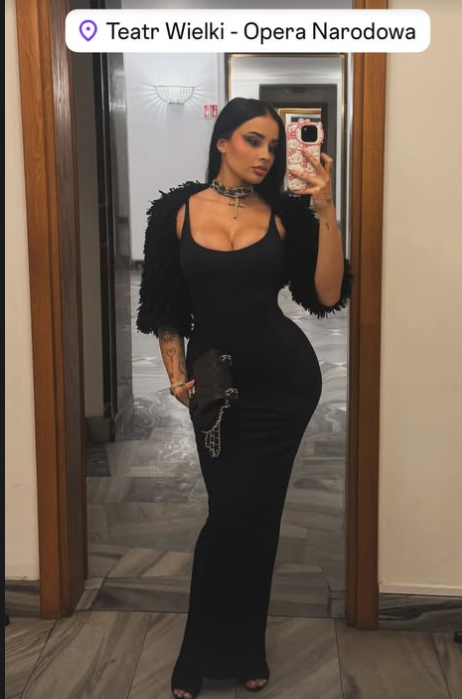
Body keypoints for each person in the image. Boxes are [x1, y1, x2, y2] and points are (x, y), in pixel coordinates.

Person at [136, 97, 353, 699]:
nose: (266, 155)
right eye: (254, 141)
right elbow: (164, 307)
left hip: (284, 383)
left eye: (274, 146)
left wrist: (326, 211)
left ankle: (242, 648)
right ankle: (205, 649)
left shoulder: (286, 213)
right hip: (214, 385)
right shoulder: (176, 212)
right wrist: (176, 376)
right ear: (223, 141)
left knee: (258, 517)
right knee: (229, 516)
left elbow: (327, 293)